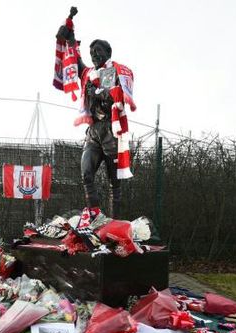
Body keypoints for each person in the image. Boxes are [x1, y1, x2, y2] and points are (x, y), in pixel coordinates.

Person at [55, 7, 135, 220]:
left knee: (114, 183)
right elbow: (75, 60)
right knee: (86, 173)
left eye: (98, 52)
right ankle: (95, 215)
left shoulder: (111, 72)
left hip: (111, 131)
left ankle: (116, 224)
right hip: (93, 132)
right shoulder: (89, 73)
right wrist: (70, 35)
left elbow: (111, 98)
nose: (94, 55)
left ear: (108, 54)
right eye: (92, 53)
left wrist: (96, 93)